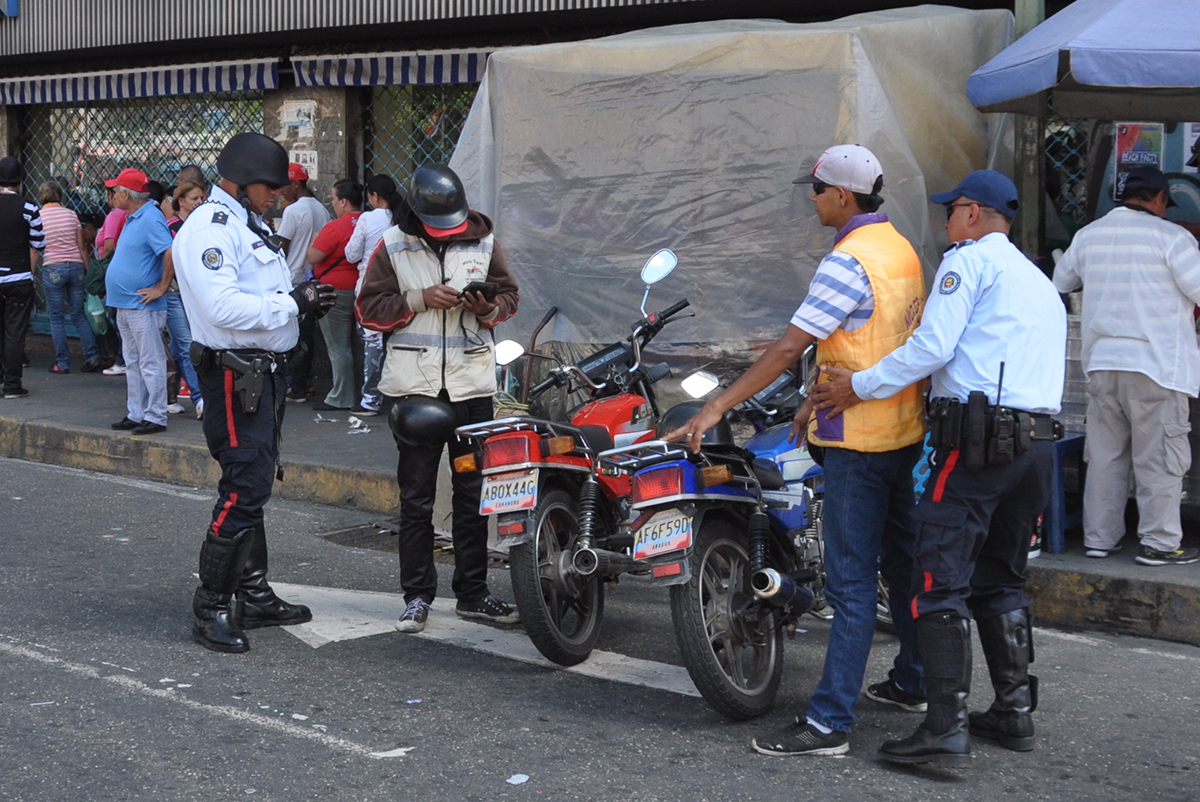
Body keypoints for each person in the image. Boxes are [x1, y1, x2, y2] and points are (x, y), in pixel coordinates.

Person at [666, 144, 928, 757]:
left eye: (815, 190)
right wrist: (814, 395)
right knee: (901, 563)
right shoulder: (900, 249)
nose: (810, 201)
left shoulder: (847, 260)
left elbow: (789, 346)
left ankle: (830, 723)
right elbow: (878, 341)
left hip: (857, 440)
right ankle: (914, 680)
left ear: (841, 195)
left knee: (853, 585)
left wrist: (715, 406)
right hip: (901, 431)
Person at [813, 170, 1066, 766]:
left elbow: (932, 346)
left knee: (937, 579)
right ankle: (1012, 711)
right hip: (1036, 446)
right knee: (1000, 578)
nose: (944, 222)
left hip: (978, 444)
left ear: (973, 214)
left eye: (950, 211)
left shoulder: (968, 263)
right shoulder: (1037, 279)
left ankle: (944, 730)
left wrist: (862, 385)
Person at [173, 132, 336, 653]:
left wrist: (299, 303)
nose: (277, 196)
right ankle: (211, 606)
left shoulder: (246, 222)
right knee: (244, 485)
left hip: (262, 373)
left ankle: (254, 592)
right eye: (270, 186)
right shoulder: (211, 228)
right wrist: (294, 304)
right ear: (241, 182)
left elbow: (257, 295)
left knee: (257, 481)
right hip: (232, 374)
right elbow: (222, 309)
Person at [357, 163, 520, 634]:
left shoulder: (485, 242)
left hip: (471, 390)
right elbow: (369, 310)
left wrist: (487, 307)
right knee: (417, 499)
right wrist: (418, 298)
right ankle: (416, 596)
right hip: (416, 391)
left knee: (472, 496)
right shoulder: (392, 244)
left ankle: (472, 593)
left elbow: (509, 297)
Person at [1053, 166, 1200, 567]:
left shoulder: (1089, 236)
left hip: (1102, 365)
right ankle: (1160, 543)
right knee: (1159, 458)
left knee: (1105, 456)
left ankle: (1100, 539)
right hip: (1157, 367)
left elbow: (1061, 281)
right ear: (1159, 199)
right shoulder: (1173, 238)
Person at [105, 168, 173, 436]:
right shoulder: (134, 217)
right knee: (133, 361)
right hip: (128, 303)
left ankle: (155, 415)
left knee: (150, 361)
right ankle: (137, 412)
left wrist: (161, 288)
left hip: (142, 305)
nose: (112, 194)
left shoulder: (150, 218)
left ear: (126, 193)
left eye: (115, 190)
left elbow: (169, 251)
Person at [343, 174, 402, 417]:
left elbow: (351, 254)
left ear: (375, 196)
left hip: (370, 289)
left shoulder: (368, 218)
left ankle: (370, 399)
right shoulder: (402, 219)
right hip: (400, 289)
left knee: (373, 345)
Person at [306, 179, 363, 411]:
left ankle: (341, 396)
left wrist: (316, 237)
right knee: (358, 345)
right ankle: (362, 393)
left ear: (344, 202)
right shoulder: (369, 223)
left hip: (334, 291)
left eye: (333, 199)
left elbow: (313, 257)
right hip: (360, 289)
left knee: (338, 346)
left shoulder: (335, 227)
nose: (332, 204)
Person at [276, 162, 330, 403]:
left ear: (295, 184)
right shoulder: (322, 209)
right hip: (313, 279)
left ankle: (292, 385)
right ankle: (301, 384)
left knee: (289, 336)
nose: (278, 191)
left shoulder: (293, 211)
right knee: (306, 336)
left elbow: (281, 248)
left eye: (283, 186)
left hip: (291, 280)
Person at [35, 181, 102, 374]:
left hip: (53, 267)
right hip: (76, 266)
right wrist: (88, 270)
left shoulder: (39, 217)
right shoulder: (71, 214)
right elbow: (81, 246)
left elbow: (37, 244)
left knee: (56, 317)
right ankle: (92, 356)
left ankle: (62, 363)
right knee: (78, 314)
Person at [162, 181, 208, 419]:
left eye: (202, 198)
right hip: (173, 292)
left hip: (193, 292)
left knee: (179, 346)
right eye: (194, 199)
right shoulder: (172, 226)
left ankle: (168, 395)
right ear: (181, 201)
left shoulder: (202, 225)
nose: (199, 202)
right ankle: (199, 398)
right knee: (186, 342)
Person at [0, 156, 45, 399]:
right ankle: (12, 385)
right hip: (18, 277)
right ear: (19, 181)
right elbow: (39, 243)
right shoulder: (28, 207)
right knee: (14, 333)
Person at [97, 185, 128, 376]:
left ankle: (122, 358)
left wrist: (101, 269)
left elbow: (109, 245)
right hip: (121, 274)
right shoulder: (125, 215)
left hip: (115, 274)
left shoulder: (115, 215)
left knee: (119, 320)